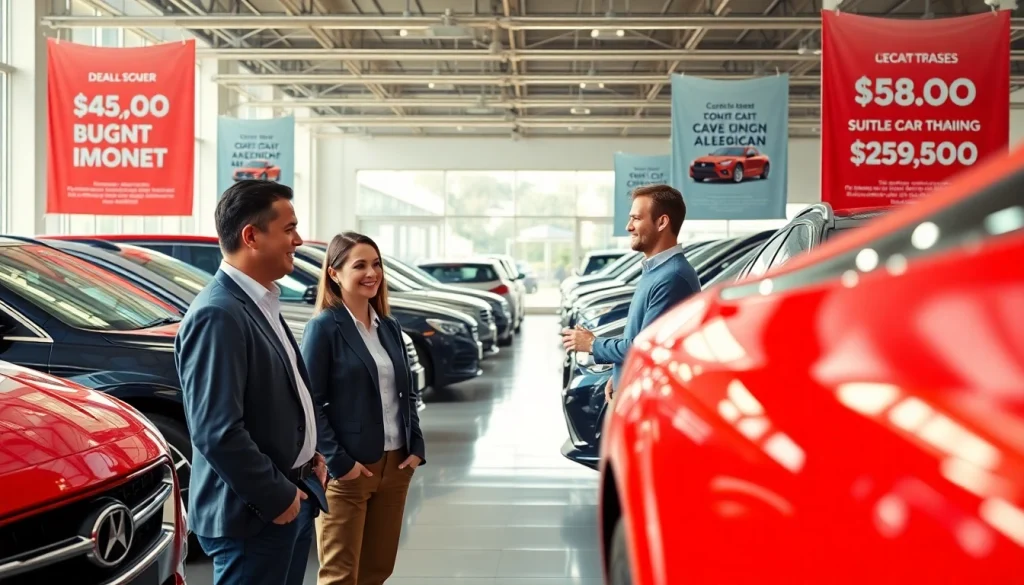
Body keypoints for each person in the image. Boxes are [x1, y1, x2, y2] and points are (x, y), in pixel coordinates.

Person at [174, 180, 329, 585]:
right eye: (289, 228)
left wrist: (308, 456)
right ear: (251, 236)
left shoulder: (261, 300)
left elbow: (278, 392)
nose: (298, 240)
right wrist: (277, 497)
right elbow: (217, 431)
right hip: (255, 513)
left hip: (291, 497)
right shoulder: (219, 314)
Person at [301, 231, 426, 585]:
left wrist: (415, 446)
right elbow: (310, 402)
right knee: (340, 575)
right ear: (335, 274)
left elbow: (407, 393)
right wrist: (339, 461)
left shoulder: (388, 326)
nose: (372, 273)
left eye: (376, 264)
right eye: (360, 265)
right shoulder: (324, 327)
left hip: (396, 464)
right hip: (351, 469)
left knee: (377, 570)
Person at [561, 184, 701, 402]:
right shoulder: (657, 270)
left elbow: (644, 347)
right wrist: (617, 375)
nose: (628, 227)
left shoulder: (673, 277)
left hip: (649, 401)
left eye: (636, 218)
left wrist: (592, 344)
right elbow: (638, 334)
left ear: (662, 222)